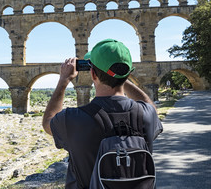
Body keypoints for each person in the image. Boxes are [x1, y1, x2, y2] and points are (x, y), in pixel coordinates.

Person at [42, 39, 163, 189]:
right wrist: (121, 77)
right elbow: (151, 107)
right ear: (128, 73)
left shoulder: (74, 119)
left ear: (93, 74)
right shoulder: (146, 114)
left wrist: (63, 80)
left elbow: (48, 122)